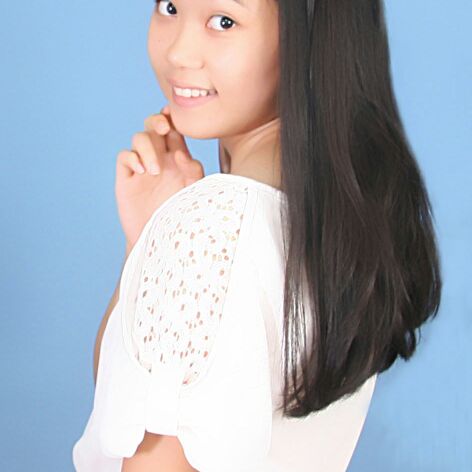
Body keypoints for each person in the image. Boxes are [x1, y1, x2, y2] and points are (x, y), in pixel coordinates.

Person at [72, 0, 442, 470]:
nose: (179, 52)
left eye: (224, 21)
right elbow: (125, 403)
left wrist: (176, 235)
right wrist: (144, 245)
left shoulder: (207, 230)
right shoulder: (340, 223)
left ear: (306, 39)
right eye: (169, 6)